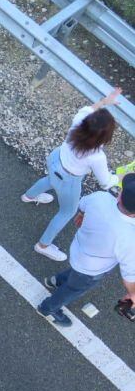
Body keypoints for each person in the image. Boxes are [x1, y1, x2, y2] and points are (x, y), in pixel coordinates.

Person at [22, 87, 122, 261]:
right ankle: (43, 245)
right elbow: (106, 182)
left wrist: (105, 101)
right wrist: (120, 177)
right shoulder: (97, 156)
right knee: (67, 211)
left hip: (55, 159)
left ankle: (29, 196)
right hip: (68, 179)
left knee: (49, 179)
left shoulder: (79, 120)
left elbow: (91, 109)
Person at [35, 173, 135, 328]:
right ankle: (47, 308)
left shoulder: (101, 198)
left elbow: (82, 205)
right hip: (91, 268)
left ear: (120, 195)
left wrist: (81, 214)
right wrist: (132, 294)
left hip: (78, 249)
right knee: (73, 289)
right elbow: (129, 275)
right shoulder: (129, 237)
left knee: (74, 273)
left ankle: (56, 281)